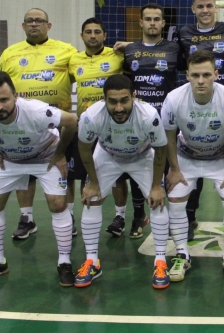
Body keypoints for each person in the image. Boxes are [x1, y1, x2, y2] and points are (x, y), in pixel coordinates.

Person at [0, 71, 77, 286]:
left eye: (4, 100)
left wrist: (60, 153)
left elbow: (71, 121)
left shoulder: (35, 110)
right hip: (11, 158)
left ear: (15, 96)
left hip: (46, 157)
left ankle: (64, 262)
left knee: (57, 203)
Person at [76, 75, 169, 289]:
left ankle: (161, 260)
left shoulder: (149, 116)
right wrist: (92, 182)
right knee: (92, 198)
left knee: (157, 201)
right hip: (107, 155)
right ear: (104, 100)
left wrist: (156, 186)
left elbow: (161, 150)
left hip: (142, 156)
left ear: (134, 97)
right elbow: (84, 148)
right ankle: (92, 261)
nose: (119, 108)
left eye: (124, 100)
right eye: (112, 101)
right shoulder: (91, 116)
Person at [161, 51, 224, 282]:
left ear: (216, 75)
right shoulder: (173, 99)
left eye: (206, 75)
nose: (201, 80)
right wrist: (174, 169)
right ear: (186, 75)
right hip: (186, 158)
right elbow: (168, 136)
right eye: (195, 75)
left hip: (221, 158)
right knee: (176, 202)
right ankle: (181, 254)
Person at [0, 8, 77, 240]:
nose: (34, 24)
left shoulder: (66, 50)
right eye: (29, 21)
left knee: (64, 171)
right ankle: (26, 218)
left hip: (58, 125)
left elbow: (84, 70)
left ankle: (68, 215)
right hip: (21, 124)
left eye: (39, 21)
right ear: (23, 26)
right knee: (24, 172)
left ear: (48, 26)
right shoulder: (10, 53)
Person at [175, 0, 224, 237]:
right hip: (195, 102)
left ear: (216, 7)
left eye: (209, 5)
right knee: (195, 154)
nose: (205, 10)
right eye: (200, 6)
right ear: (193, 9)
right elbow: (167, 52)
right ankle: (190, 218)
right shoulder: (183, 33)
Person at [112, 3, 184, 239]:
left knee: (166, 169)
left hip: (166, 118)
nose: (152, 23)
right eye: (148, 19)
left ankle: (171, 218)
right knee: (137, 167)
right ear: (140, 23)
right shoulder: (130, 50)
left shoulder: (175, 48)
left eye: (157, 19)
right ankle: (138, 216)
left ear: (163, 23)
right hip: (138, 119)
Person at [67, 18, 125, 238]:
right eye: (88, 32)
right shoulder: (73, 60)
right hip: (85, 124)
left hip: (113, 124)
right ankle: (71, 216)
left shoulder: (117, 55)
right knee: (78, 173)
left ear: (104, 35)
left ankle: (119, 216)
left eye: (97, 32)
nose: (93, 35)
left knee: (118, 174)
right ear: (82, 35)